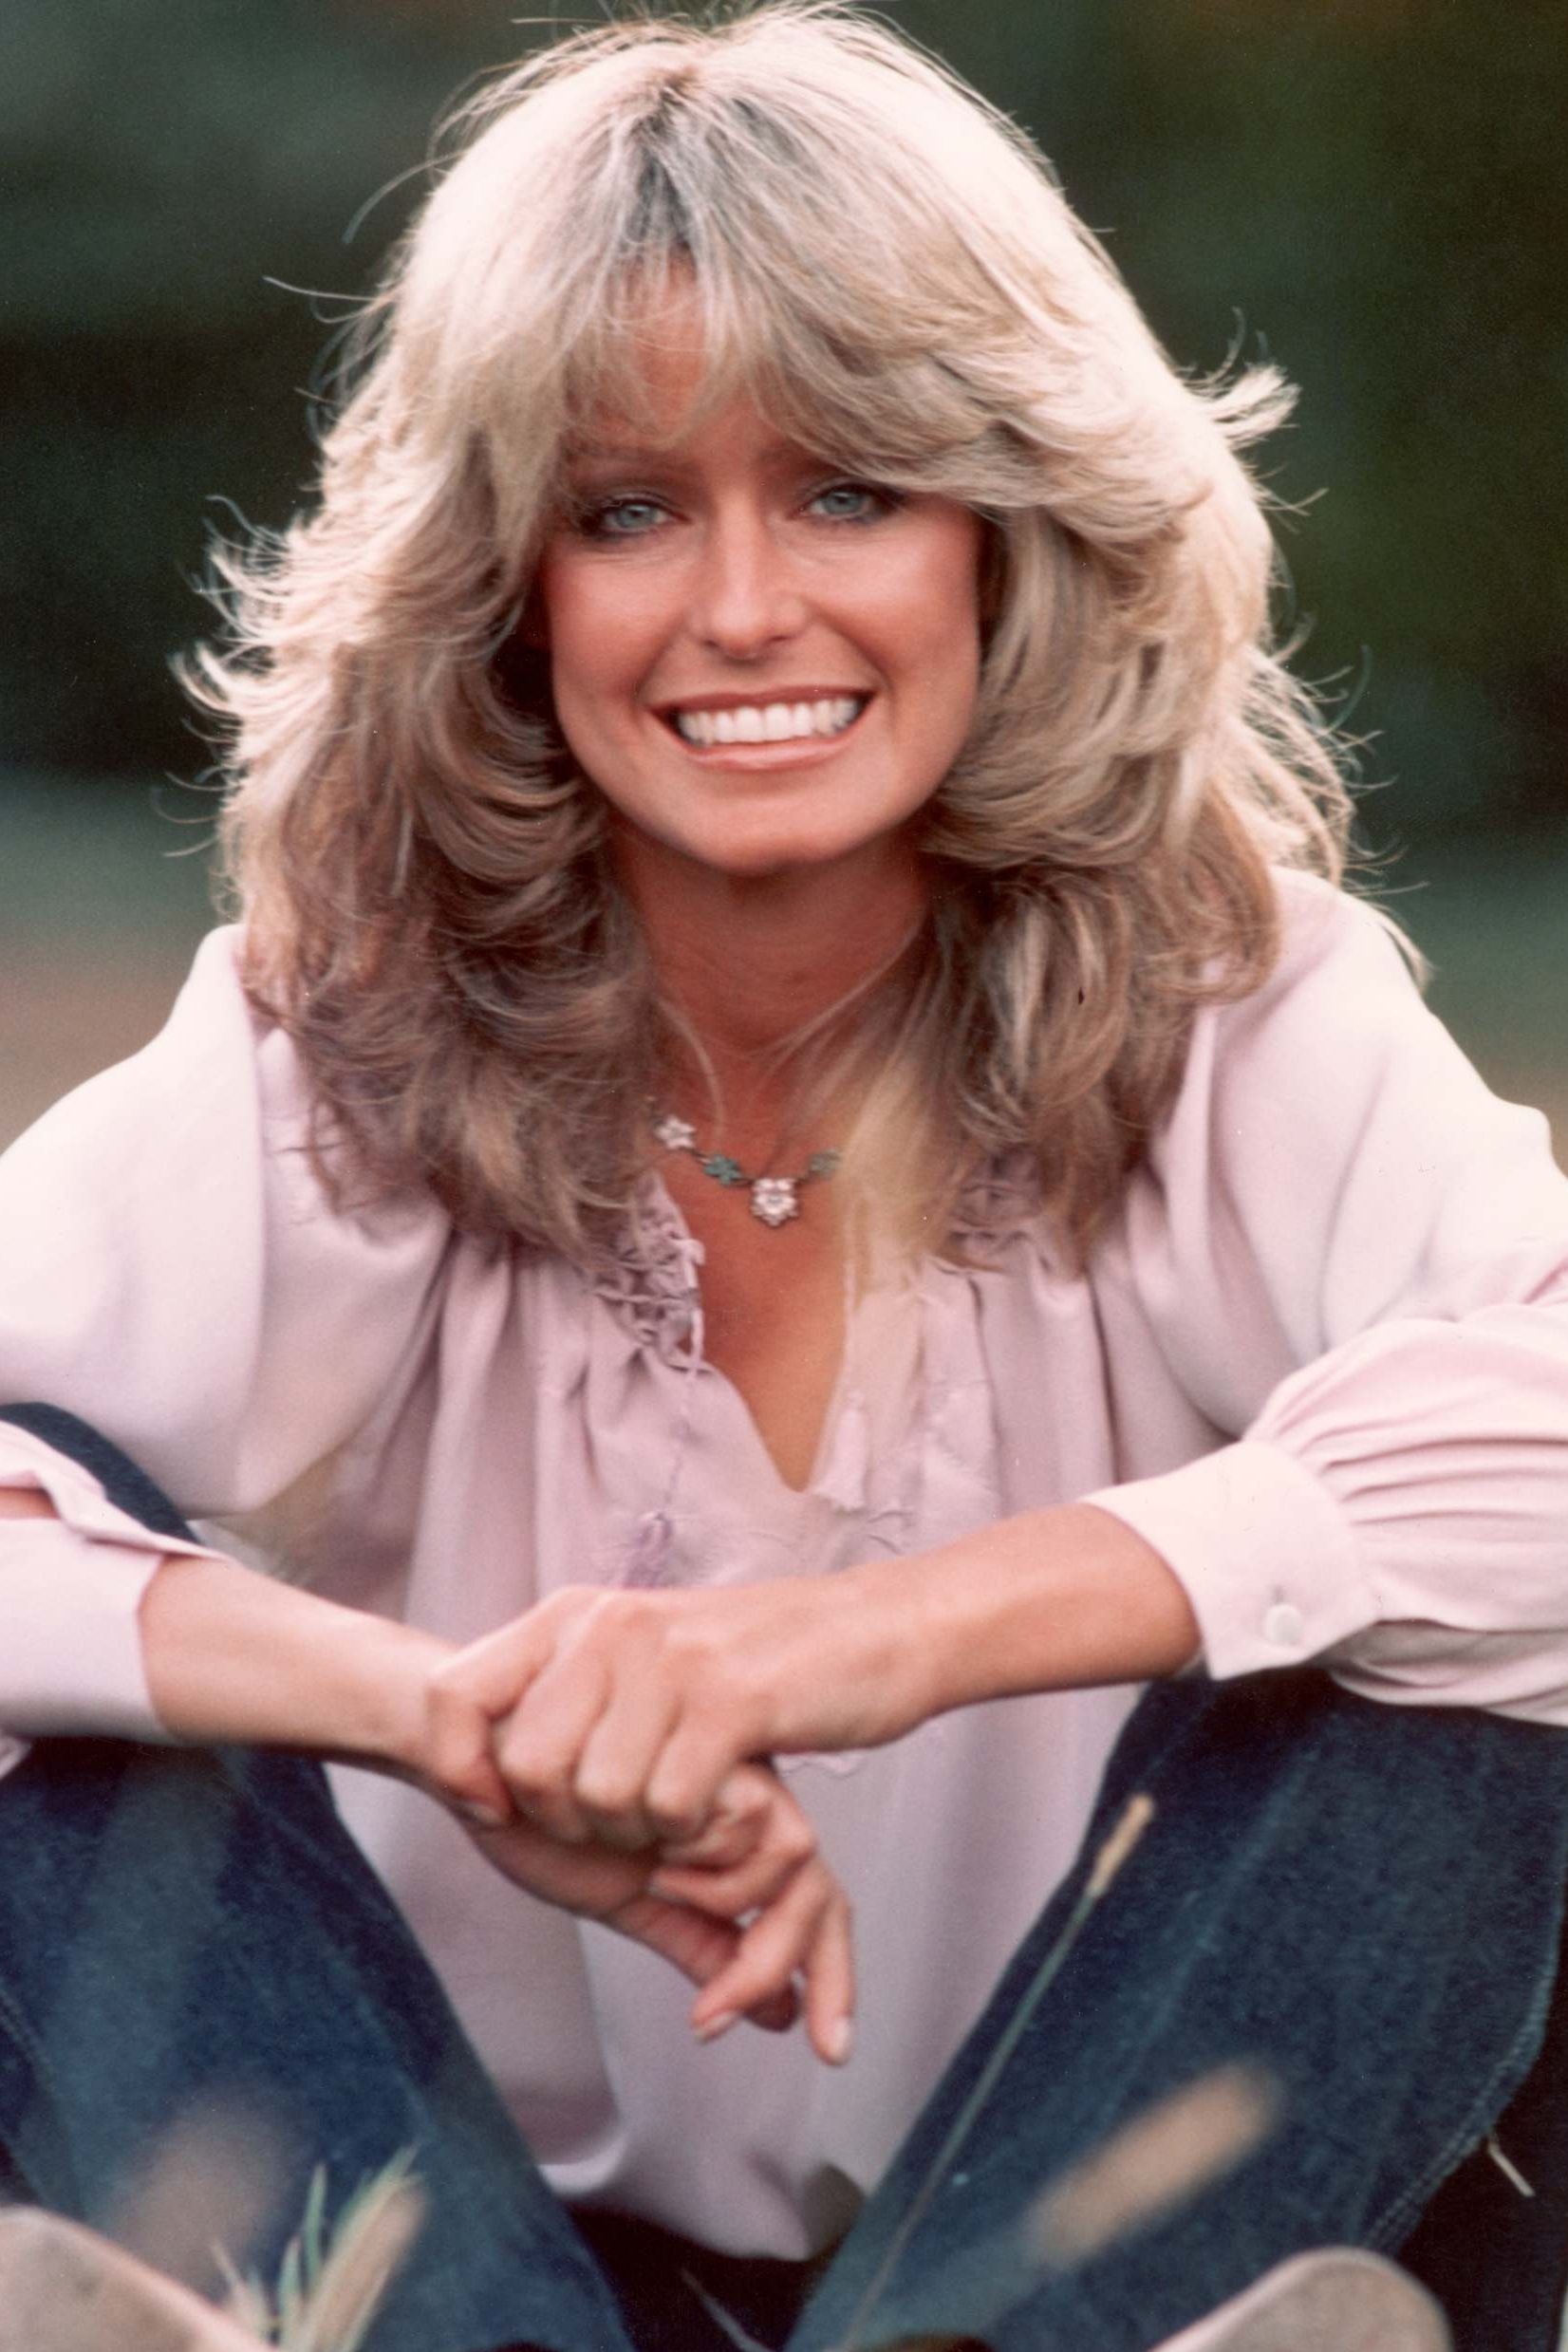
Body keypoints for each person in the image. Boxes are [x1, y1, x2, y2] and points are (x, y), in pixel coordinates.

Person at [2, 8, 1567, 2349]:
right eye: (628, 511)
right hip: (497, 2277)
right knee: (58, 1625)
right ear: (507, 587)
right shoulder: (336, 1048)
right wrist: (432, 1710)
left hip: (1115, 2261)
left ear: (1011, 537)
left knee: (1455, 1619)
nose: (742, 608)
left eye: (850, 492)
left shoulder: (1237, 1013)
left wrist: (846, 1644)